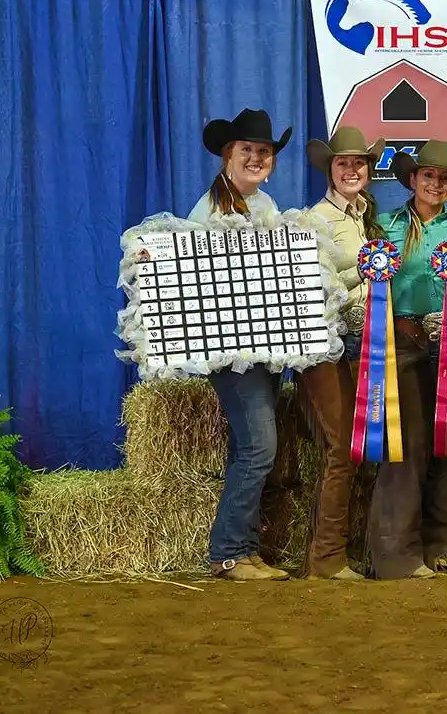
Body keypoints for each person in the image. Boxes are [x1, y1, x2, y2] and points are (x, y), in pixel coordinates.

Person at [366, 140, 447, 580]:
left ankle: (444, 547)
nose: (436, 183)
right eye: (428, 176)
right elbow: (372, 286)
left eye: (445, 178)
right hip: (403, 340)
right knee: (406, 447)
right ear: (412, 179)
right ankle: (396, 552)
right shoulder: (385, 226)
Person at [187, 107, 293, 581]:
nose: (256, 157)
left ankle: (244, 551)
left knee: (249, 448)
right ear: (228, 154)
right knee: (259, 448)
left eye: (263, 151)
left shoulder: (265, 207)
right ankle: (228, 552)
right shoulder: (208, 212)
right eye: (247, 149)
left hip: (264, 345)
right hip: (232, 350)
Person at [296, 126, 387, 581]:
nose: (352, 170)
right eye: (343, 163)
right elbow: (316, 286)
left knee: (354, 448)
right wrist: (364, 268)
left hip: (362, 340)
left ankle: (338, 551)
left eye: (359, 163)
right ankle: (326, 558)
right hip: (327, 341)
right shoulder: (315, 219)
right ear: (329, 169)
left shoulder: (364, 216)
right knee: (342, 448)